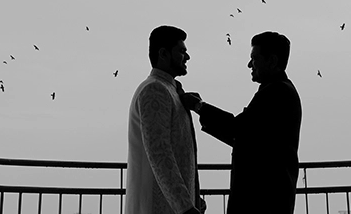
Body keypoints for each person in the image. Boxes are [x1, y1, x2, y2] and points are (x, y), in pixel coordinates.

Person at [183, 31, 302, 214]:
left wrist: (199, 107)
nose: (249, 64)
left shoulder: (275, 92)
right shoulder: (281, 90)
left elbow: (238, 130)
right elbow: (246, 135)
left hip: (262, 199)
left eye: (254, 58)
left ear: (272, 60)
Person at [126, 25, 205, 214]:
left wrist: (193, 198)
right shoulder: (155, 90)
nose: (187, 57)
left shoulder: (168, 90)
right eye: (181, 51)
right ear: (163, 53)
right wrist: (186, 207)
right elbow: (160, 154)